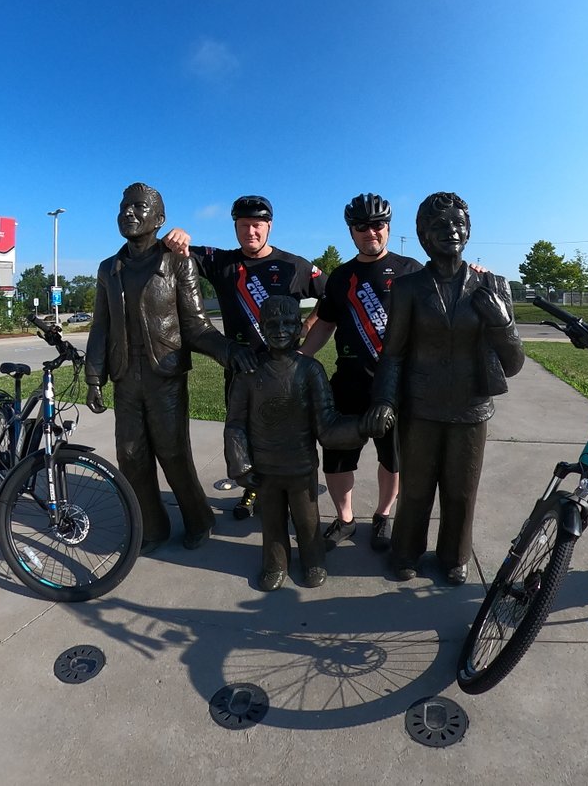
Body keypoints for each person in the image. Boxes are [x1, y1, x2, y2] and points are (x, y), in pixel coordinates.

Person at [85, 182, 256, 553]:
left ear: (159, 219)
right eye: (123, 206)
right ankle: (152, 526)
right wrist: (94, 377)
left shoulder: (178, 263)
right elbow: (100, 327)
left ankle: (199, 518)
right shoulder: (107, 269)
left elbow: (196, 325)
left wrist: (229, 351)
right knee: (130, 455)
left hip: (165, 376)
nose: (128, 213)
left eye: (139, 207)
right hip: (125, 377)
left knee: (173, 452)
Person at [365, 192, 525, 585]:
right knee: (416, 489)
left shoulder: (493, 285)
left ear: (468, 231)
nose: (451, 231)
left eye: (458, 224)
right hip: (420, 409)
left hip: (471, 408)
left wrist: (501, 322)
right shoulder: (407, 289)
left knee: (461, 491)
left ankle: (454, 556)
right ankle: (406, 551)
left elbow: (514, 364)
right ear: (423, 236)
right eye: (439, 226)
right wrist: (385, 398)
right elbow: (394, 354)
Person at [163, 195, 328, 519]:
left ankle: (295, 496)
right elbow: (175, 252)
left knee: (289, 434)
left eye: (257, 225)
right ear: (235, 227)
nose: (250, 232)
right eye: (243, 226)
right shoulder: (222, 262)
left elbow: (332, 294)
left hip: (284, 371)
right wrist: (178, 235)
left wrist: (307, 327)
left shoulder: (295, 265)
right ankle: (254, 489)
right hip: (241, 368)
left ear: (269, 226)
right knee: (246, 434)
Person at [299, 193, 421, 553]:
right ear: (351, 232)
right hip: (348, 383)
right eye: (361, 227)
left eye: (377, 225)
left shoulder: (411, 270)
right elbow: (325, 324)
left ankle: (383, 515)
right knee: (336, 458)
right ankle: (346, 519)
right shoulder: (341, 276)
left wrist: (474, 272)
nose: (371, 232)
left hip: (396, 385)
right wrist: (301, 357)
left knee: (393, 458)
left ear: (388, 227)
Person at [224, 296, 365, 591]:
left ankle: (313, 560)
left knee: (307, 520)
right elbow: (235, 422)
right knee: (272, 523)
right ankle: (275, 563)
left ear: (301, 327)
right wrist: (240, 463)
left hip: (301, 467)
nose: (280, 330)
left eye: (288, 323)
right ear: (261, 327)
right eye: (272, 324)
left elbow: (327, 425)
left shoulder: (310, 370)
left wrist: (363, 426)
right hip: (265, 469)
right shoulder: (249, 372)